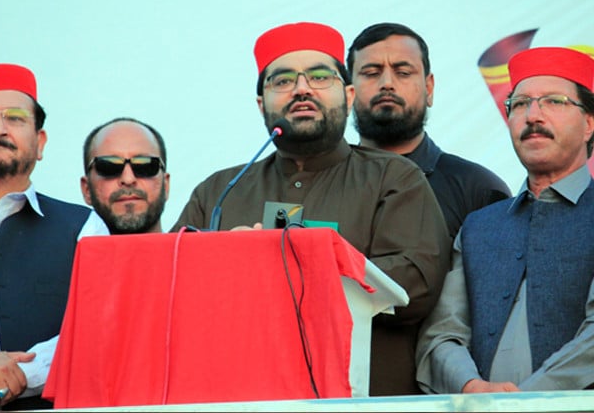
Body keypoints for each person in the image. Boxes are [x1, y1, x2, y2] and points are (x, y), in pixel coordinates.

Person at [171, 21, 451, 395]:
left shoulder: (394, 178)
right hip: (242, 395)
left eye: (319, 77)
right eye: (282, 80)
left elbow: (414, 284)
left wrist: (279, 267)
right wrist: (227, 261)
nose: (301, 89)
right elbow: (171, 290)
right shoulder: (219, 191)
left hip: (358, 399)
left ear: (348, 95)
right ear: (261, 104)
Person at [415, 47, 594, 393]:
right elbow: (441, 335)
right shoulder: (478, 227)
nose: (533, 115)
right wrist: (470, 387)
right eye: (520, 104)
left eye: (554, 102)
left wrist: (525, 400)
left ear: (589, 124)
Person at [0, 63, 109, 411]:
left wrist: (2, 382)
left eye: (15, 118)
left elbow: (96, 332)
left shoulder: (84, 227)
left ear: (39, 143)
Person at [346, 22, 511, 241]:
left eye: (403, 72)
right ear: (348, 92)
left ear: (429, 88)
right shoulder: (323, 184)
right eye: (371, 73)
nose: (387, 83)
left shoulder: (478, 191)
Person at [81, 117, 170, 234]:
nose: (128, 179)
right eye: (109, 166)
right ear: (86, 189)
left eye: (145, 165)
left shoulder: (195, 247)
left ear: (166, 185)